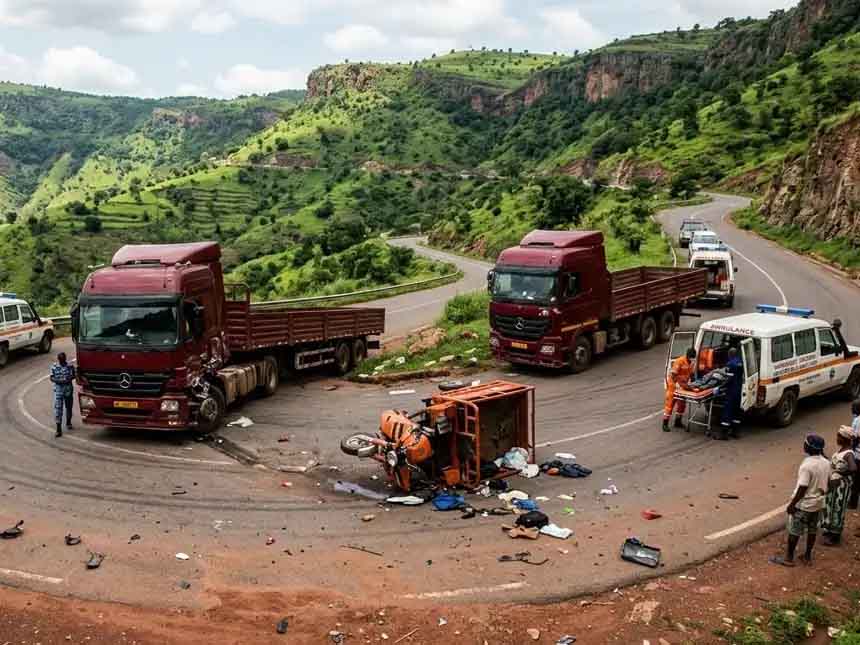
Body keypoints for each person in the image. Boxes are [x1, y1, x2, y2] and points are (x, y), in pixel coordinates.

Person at [771, 434, 831, 567]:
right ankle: (807, 556)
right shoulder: (827, 463)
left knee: (794, 531)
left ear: (808, 447)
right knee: (812, 530)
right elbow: (829, 482)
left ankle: (789, 558)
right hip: (819, 503)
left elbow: (802, 487)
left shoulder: (807, 466)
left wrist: (792, 504)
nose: (803, 445)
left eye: (805, 443)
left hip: (804, 505)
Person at [821, 426, 858, 545]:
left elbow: (853, 468)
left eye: (839, 436)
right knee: (830, 506)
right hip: (834, 485)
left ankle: (835, 536)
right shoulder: (841, 450)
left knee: (838, 508)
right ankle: (829, 530)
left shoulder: (848, 454)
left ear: (845, 438)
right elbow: (834, 464)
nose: (837, 438)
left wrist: (840, 473)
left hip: (841, 486)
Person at [663, 347, 696, 432]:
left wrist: (693, 383)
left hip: (683, 386)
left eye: (693, 358)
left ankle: (678, 422)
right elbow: (673, 375)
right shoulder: (679, 361)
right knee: (670, 405)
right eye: (691, 357)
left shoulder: (691, 363)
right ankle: (665, 423)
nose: (692, 359)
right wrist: (677, 385)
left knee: (682, 404)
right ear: (687, 355)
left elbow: (691, 374)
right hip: (674, 386)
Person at [716, 347, 743, 440]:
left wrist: (720, 387)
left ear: (730, 354)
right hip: (739, 390)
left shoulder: (730, 364)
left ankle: (724, 434)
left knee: (727, 411)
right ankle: (736, 432)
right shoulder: (740, 362)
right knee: (736, 411)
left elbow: (728, 379)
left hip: (731, 391)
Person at [50, 352, 76, 438]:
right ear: (58, 359)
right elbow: (51, 377)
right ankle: (58, 429)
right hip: (58, 390)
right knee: (58, 408)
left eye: (63, 359)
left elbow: (74, 375)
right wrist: (57, 381)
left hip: (68, 389)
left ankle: (68, 422)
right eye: (60, 359)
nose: (61, 361)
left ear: (65, 359)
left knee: (69, 407)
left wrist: (69, 379)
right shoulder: (54, 366)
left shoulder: (70, 366)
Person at [850, 399, 860, 510]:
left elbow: (856, 437)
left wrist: (851, 451)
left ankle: (853, 503)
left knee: (855, 481)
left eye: (853, 408)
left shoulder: (858, 420)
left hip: (858, 455)